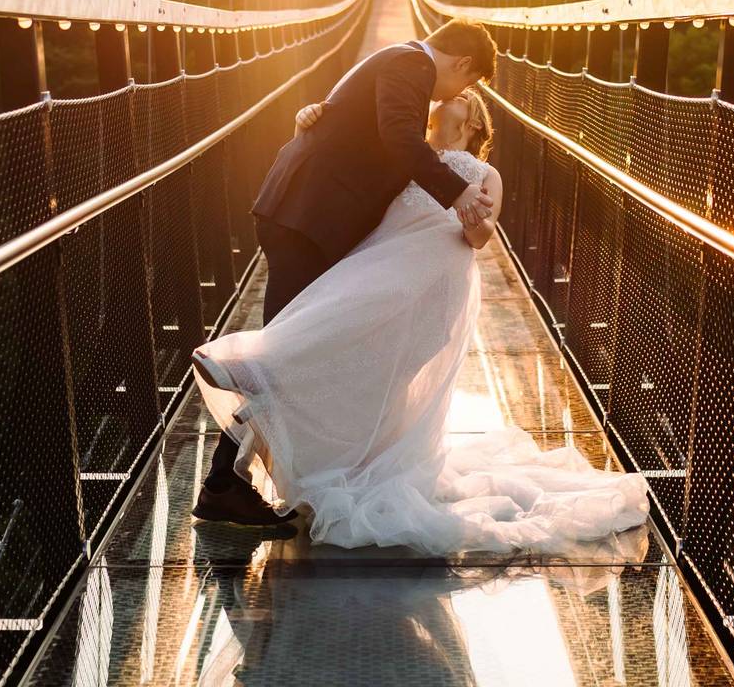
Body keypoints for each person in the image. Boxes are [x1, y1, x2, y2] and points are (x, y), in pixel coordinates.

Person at [192, 86, 649, 556]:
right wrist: (306, 129)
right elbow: (336, 179)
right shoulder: (407, 156)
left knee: (370, 381)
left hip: (430, 292)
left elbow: (480, 237)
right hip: (374, 277)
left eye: (460, 95)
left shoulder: (484, 172)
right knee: (330, 361)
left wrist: (471, 208)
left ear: (473, 123)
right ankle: (258, 428)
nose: (442, 93)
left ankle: (254, 422)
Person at [191, 18, 500, 527]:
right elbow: (399, 138)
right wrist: (459, 190)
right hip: (307, 218)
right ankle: (226, 463)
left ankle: (239, 473)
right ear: (462, 63)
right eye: (466, 85)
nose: (456, 95)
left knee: (301, 346)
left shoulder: (401, 66)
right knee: (288, 350)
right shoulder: (410, 63)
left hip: (308, 217)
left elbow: (368, 141)